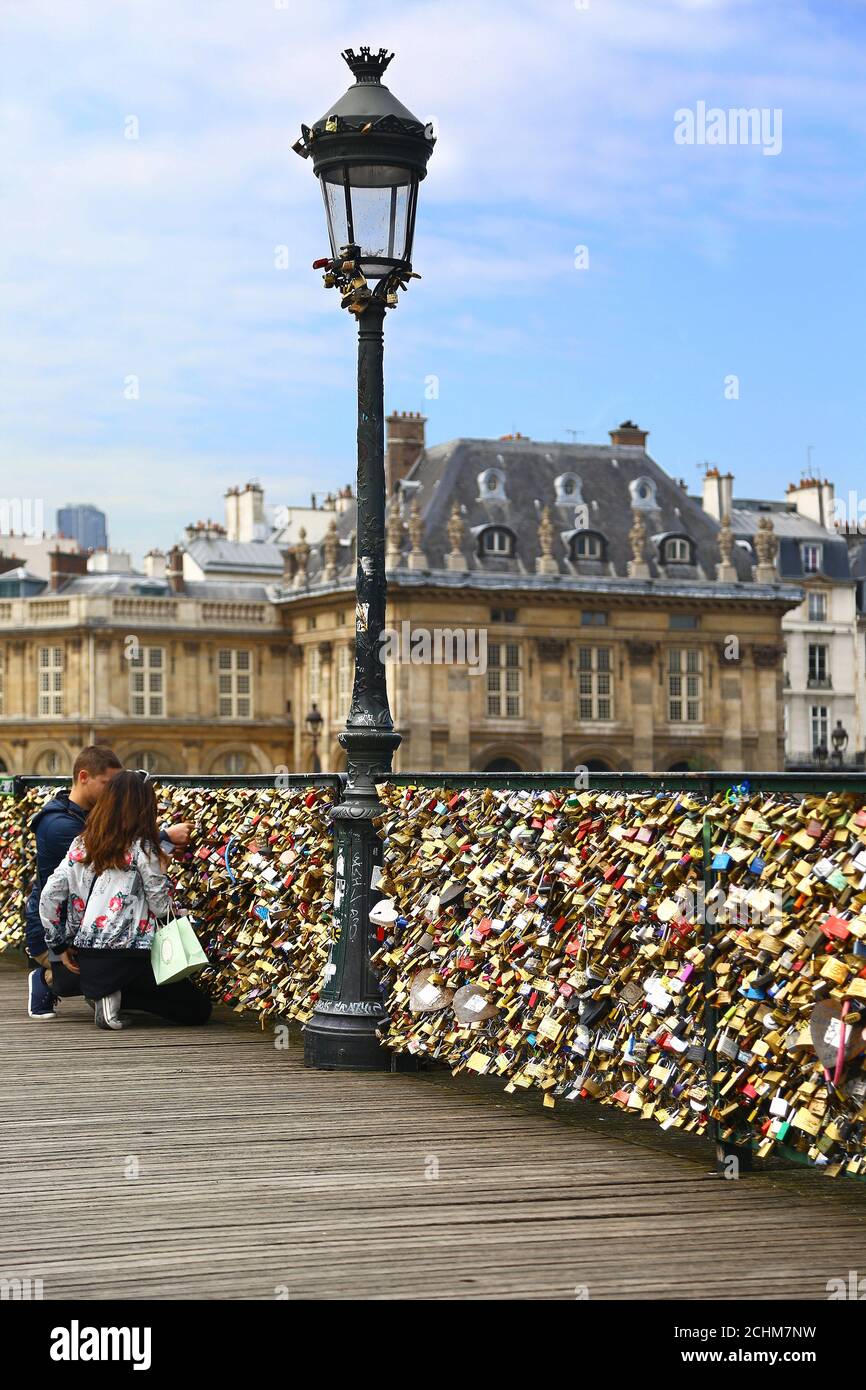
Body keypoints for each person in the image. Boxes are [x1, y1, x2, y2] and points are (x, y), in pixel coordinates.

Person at [26, 745, 191, 1019]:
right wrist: (160, 839)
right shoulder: (62, 828)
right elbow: (117, 851)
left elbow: (52, 893)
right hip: (72, 940)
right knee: (191, 1006)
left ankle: (105, 991)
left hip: (76, 935)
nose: (112, 792)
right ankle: (54, 980)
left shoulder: (81, 831)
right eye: (107, 783)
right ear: (83, 777)